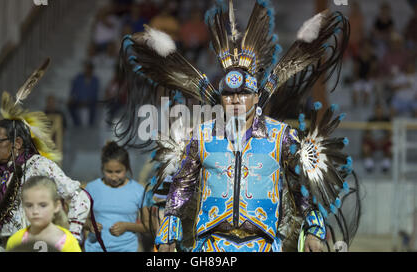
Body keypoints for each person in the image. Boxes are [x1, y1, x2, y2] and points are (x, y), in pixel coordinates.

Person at [115, 0, 360, 252]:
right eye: (229, 95)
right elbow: (183, 184)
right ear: (221, 98)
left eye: (243, 94)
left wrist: (314, 230)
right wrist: (167, 232)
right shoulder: (202, 135)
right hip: (211, 245)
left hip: (262, 244)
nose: (235, 100)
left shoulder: (280, 136)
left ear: (255, 97)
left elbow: (301, 188)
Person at [0, 58, 90, 252]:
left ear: (17, 143)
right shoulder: (0, 169)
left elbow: (79, 196)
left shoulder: (39, 165)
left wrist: (73, 235)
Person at [84, 141, 148, 252]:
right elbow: (81, 219)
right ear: (102, 169)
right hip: (95, 248)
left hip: (127, 248)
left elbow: (147, 226)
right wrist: (90, 225)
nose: (113, 177)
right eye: (109, 172)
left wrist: (127, 226)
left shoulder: (138, 190)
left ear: (127, 169)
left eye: (118, 172)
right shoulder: (91, 188)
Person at [6, 176, 82, 252]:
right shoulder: (15, 240)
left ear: (56, 206)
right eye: (29, 205)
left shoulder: (69, 243)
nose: (35, 211)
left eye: (43, 205)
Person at [67, 61, 100, 127]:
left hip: (90, 101)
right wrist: (72, 98)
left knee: (95, 107)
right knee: (70, 105)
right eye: (86, 68)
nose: (88, 70)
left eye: (89, 68)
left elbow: (95, 93)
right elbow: (73, 90)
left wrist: (87, 101)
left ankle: (91, 125)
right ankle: (77, 124)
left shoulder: (95, 80)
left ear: (92, 70)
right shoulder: (78, 78)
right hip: (79, 100)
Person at [361, 104, 392, 173]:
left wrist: (383, 141)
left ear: (382, 112)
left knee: (391, 147)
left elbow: (390, 134)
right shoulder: (371, 120)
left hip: (384, 141)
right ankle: (369, 165)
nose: (379, 113)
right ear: (374, 112)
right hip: (373, 141)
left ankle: (386, 165)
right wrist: (374, 141)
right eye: (377, 112)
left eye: (380, 112)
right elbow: (367, 134)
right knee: (365, 146)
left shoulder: (387, 120)